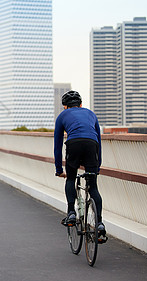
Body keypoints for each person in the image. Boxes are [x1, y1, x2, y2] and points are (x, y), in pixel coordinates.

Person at [54, 90, 106, 236]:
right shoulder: (91, 114)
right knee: (93, 187)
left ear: (65, 106)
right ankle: (100, 223)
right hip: (91, 145)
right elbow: (99, 143)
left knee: (71, 178)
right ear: (81, 104)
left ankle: (71, 213)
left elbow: (57, 145)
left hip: (74, 144)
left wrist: (58, 169)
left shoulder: (62, 116)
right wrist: (97, 166)